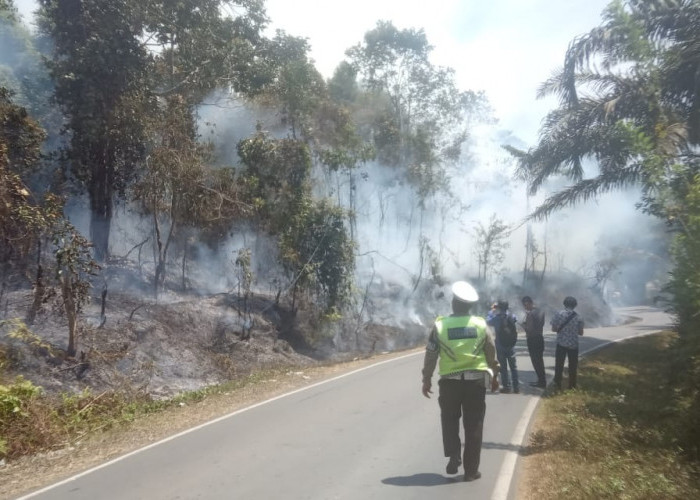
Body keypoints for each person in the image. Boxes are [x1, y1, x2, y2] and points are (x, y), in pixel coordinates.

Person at [421, 281, 500, 482]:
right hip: (475, 383)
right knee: (474, 424)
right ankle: (471, 471)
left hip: (449, 383)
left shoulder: (440, 325)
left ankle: (454, 454)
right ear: (470, 306)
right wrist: (495, 375)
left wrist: (426, 379)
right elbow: (491, 351)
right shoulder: (481, 324)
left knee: (449, 420)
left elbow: (431, 355)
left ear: (454, 304)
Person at [550, 296, 585, 390]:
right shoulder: (578, 317)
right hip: (573, 345)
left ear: (564, 303)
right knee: (572, 366)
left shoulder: (558, 314)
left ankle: (557, 384)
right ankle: (572, 386)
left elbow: (553, 329)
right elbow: (581, 333)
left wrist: (562, 330)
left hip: (561, 344)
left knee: (559, 365)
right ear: (575, 305)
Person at [487, 300, 520, 394]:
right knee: (514, 367)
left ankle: (506, 387)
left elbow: (487, 321)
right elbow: (515, 319)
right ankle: (516, 387)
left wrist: (492, 310)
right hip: (511, 345)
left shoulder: (496, 318)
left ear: (499, 307)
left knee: (503, 368)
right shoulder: (512, 316)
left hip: (500, 346)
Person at [521, 296, 547, 388]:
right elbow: (541, 324)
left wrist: (523, 325)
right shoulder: (541, 311)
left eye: (525, 305)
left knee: (535, 361)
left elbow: (529, 329)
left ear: (528, 303)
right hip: (540, 338)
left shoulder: (530, 314)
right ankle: (542, 380)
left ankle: (541, 382)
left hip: (532, 339)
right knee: (540, 360)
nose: (525, 307)